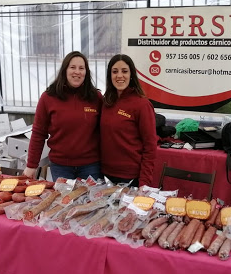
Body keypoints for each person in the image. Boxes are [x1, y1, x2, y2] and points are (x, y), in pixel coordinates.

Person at [23, 51, 102, 180]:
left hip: (90, 166)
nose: (77, 72)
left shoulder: (96, 98)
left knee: (90, 200)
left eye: (81, 68)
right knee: (62, 200)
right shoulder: (48, 97)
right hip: (61, 167)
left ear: (86, 73)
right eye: (72, 67)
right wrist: (31, 165)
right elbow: (38, 133)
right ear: (65, 70)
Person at [100, 54, 157, 187]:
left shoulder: (142, 105)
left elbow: (150, 147)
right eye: (115, 71)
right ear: (110, 75)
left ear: (131, 74)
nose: (119, 76)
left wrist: (144, 183)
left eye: (124, 71)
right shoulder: (106, 102)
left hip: (131, 179)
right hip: (104, 175)